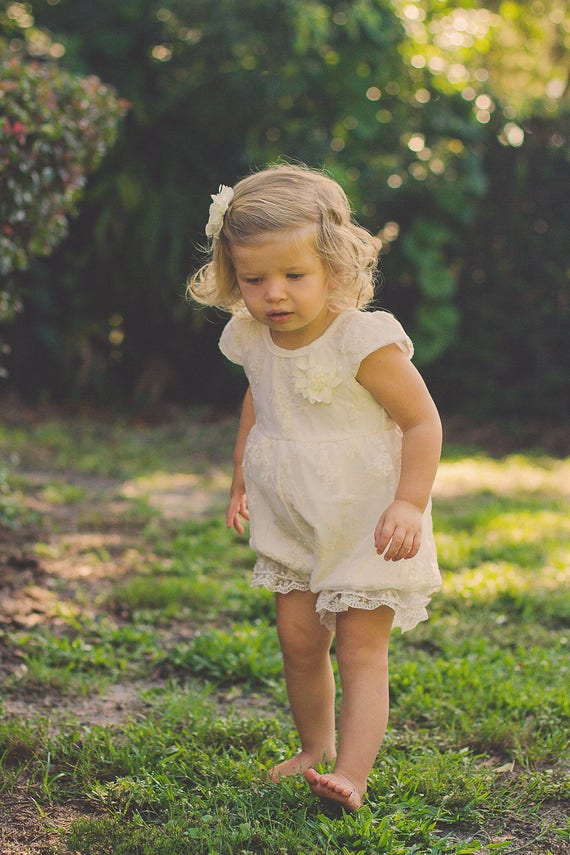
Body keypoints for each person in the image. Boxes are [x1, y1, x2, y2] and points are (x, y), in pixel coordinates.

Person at [188, 164, 442, 811]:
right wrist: (241, 473)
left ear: (334, 266)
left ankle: (351, 773)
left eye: (293, 275)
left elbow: (420, 420)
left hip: (367, 518)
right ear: (231, 274)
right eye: (254, 278)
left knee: (360, 646)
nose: (273, 293)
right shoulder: (251, 335)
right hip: (292, 514)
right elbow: (261, 398)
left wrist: (409, 500)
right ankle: (313, 745)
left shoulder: (363, 339)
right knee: (299, 639)